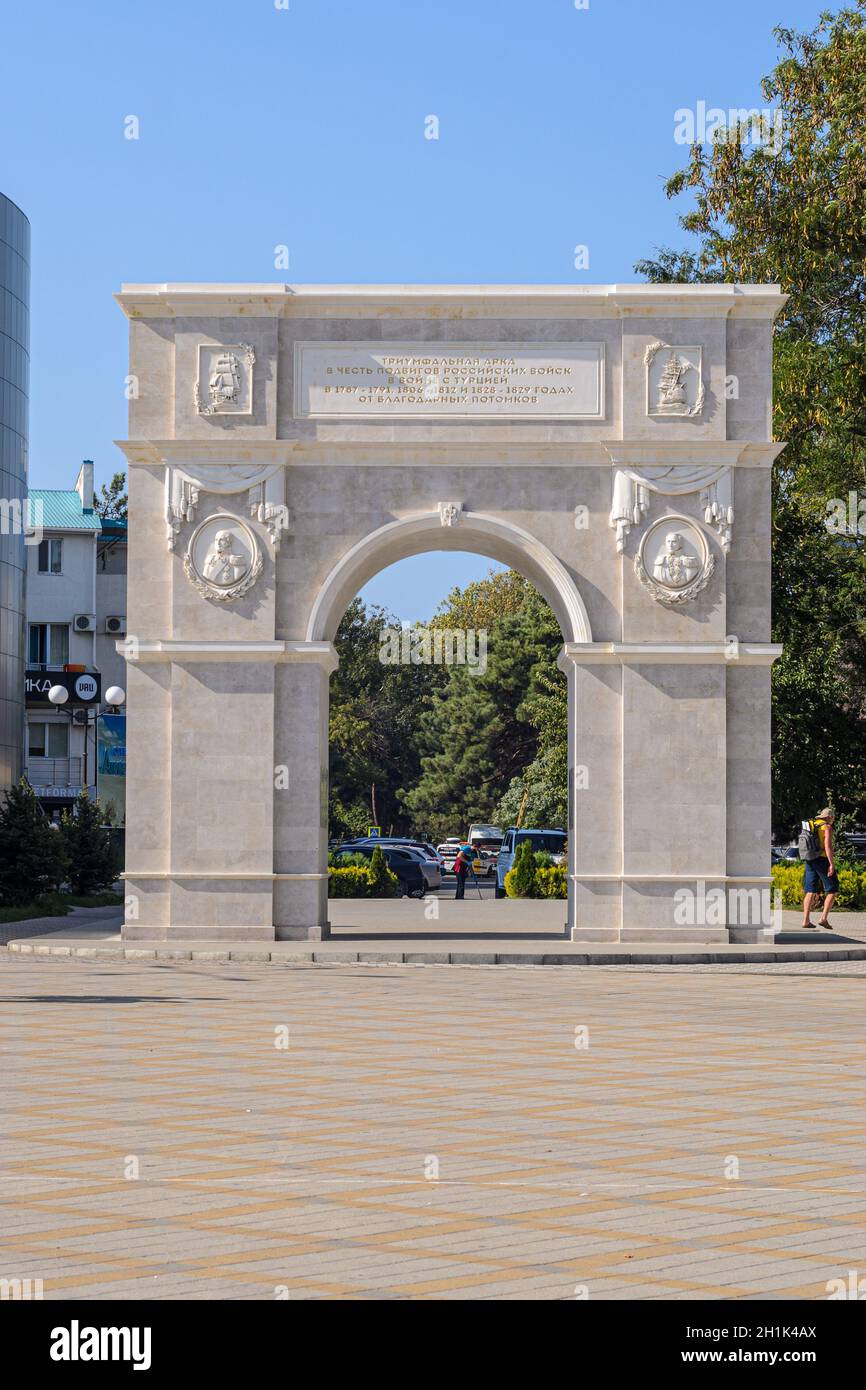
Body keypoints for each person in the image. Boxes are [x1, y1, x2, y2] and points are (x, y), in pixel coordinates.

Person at [802, 807, 838, 930]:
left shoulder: (812, 825)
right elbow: (827, 846)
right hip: (822, 860)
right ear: (829, 817)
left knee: (810, 890)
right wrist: (831, 863)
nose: (832, 819)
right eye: (832, 817)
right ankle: (823, 918)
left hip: (810, 859)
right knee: (833, 888)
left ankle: (806, 920)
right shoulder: (826, 827)